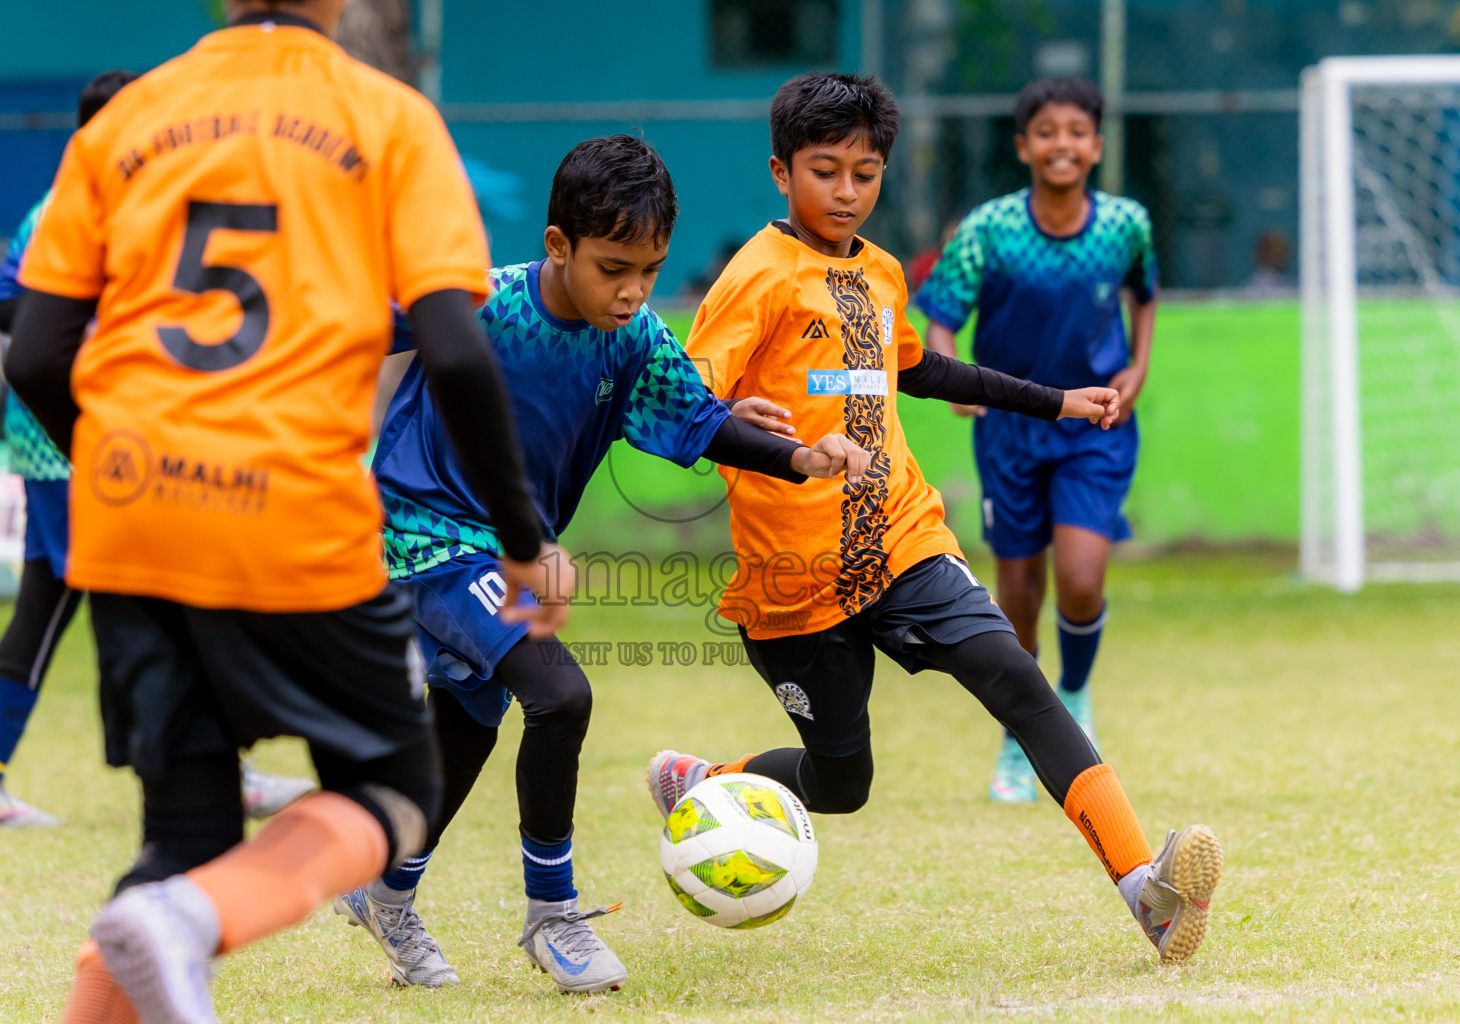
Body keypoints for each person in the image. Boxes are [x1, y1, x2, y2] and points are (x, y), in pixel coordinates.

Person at [6, 3, 557, 1021]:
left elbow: (34, 353)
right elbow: (456, 348)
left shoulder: (125, 122)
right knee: (394, 794)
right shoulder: (388, 118)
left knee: (181, 849)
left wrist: (119, 465)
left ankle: (177, 915)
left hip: (133, 519)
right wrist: (522, 540)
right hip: (296, 509)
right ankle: (186, 919)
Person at [647, 71, 1221, 965]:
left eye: (865, 172)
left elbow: (922, 371)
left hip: (904, 540)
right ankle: (705, 781)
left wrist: (1056, 401)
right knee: (842, 783)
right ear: (780, 172)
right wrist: (740, 428)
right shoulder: (756, 277)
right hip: (795, 579)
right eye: (825, 171)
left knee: (1018, 678)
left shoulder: (878, 272)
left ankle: (1144, 891)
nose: (846, 192)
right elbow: (679, 404)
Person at [335, 134, 868, 995]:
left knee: (469, 724)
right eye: (613, 266)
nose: (631, 291)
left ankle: (387, 891)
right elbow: (343, 317)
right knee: (560, 694)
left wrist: (800, 458)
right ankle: (554, 913)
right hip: (421, 536)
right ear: (558, 246)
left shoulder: (633, 339)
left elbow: (699, 421)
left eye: (650, 271)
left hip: (511, 552)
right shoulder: (481, 305)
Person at [0, 70, 314, 832]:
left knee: (49, 606)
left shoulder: (126, 205)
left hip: (90, 438)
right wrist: (105, 298)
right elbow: (10, 304)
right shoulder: (69, 208)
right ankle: (211, 771)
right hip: (67, 442)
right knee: (167, 595)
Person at [914, 78, 1158, 803]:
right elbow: (941, 318)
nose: (1062, 144)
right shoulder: (989, 229)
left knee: (1081, 576)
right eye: (1046, 131)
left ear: (1098, 145)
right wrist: (955, 381)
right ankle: (1022, 732)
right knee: (1017, 590)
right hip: (1011, 429)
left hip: (1095, 425)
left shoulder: (1125, 225)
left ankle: (1073, 701)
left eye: (1077, 131)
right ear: (1023, 146)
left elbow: (1144, 297)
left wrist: (1138, 367)